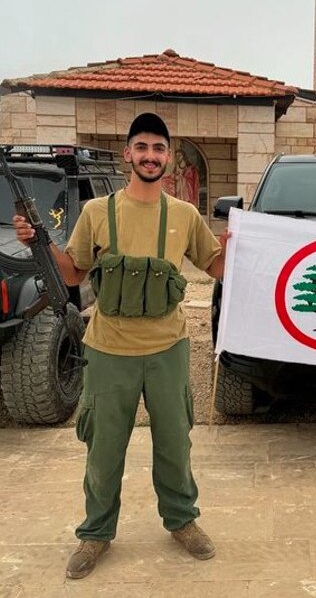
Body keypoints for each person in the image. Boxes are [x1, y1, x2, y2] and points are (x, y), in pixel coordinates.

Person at [12, 113, 228, 579]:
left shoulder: (185, 215)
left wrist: (243, 243)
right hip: (109, 351)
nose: (151, 156)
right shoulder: (96, 213)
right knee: (104, 448)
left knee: (175, 443)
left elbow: (217, 268)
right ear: (129, 154)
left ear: (169, 160)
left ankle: (182, 521)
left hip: (167, 348)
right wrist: (38, 242)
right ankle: (95, 533)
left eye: (159, 149)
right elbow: (72, 274)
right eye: (142, 147)